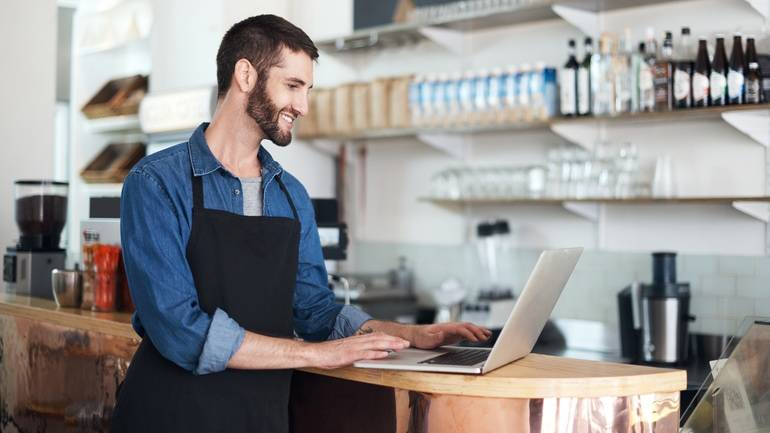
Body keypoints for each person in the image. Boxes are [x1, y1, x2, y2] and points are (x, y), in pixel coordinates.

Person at [110, 14, 490, 433]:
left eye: (307, 90)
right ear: (245, 75)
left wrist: (405, 335)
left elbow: (314, 310)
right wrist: (315, 355)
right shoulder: (156, 183)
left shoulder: (290, 195)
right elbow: (180, 330)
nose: (303, 106)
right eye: (292, 86)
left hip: (262, 416)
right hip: (170, 415)